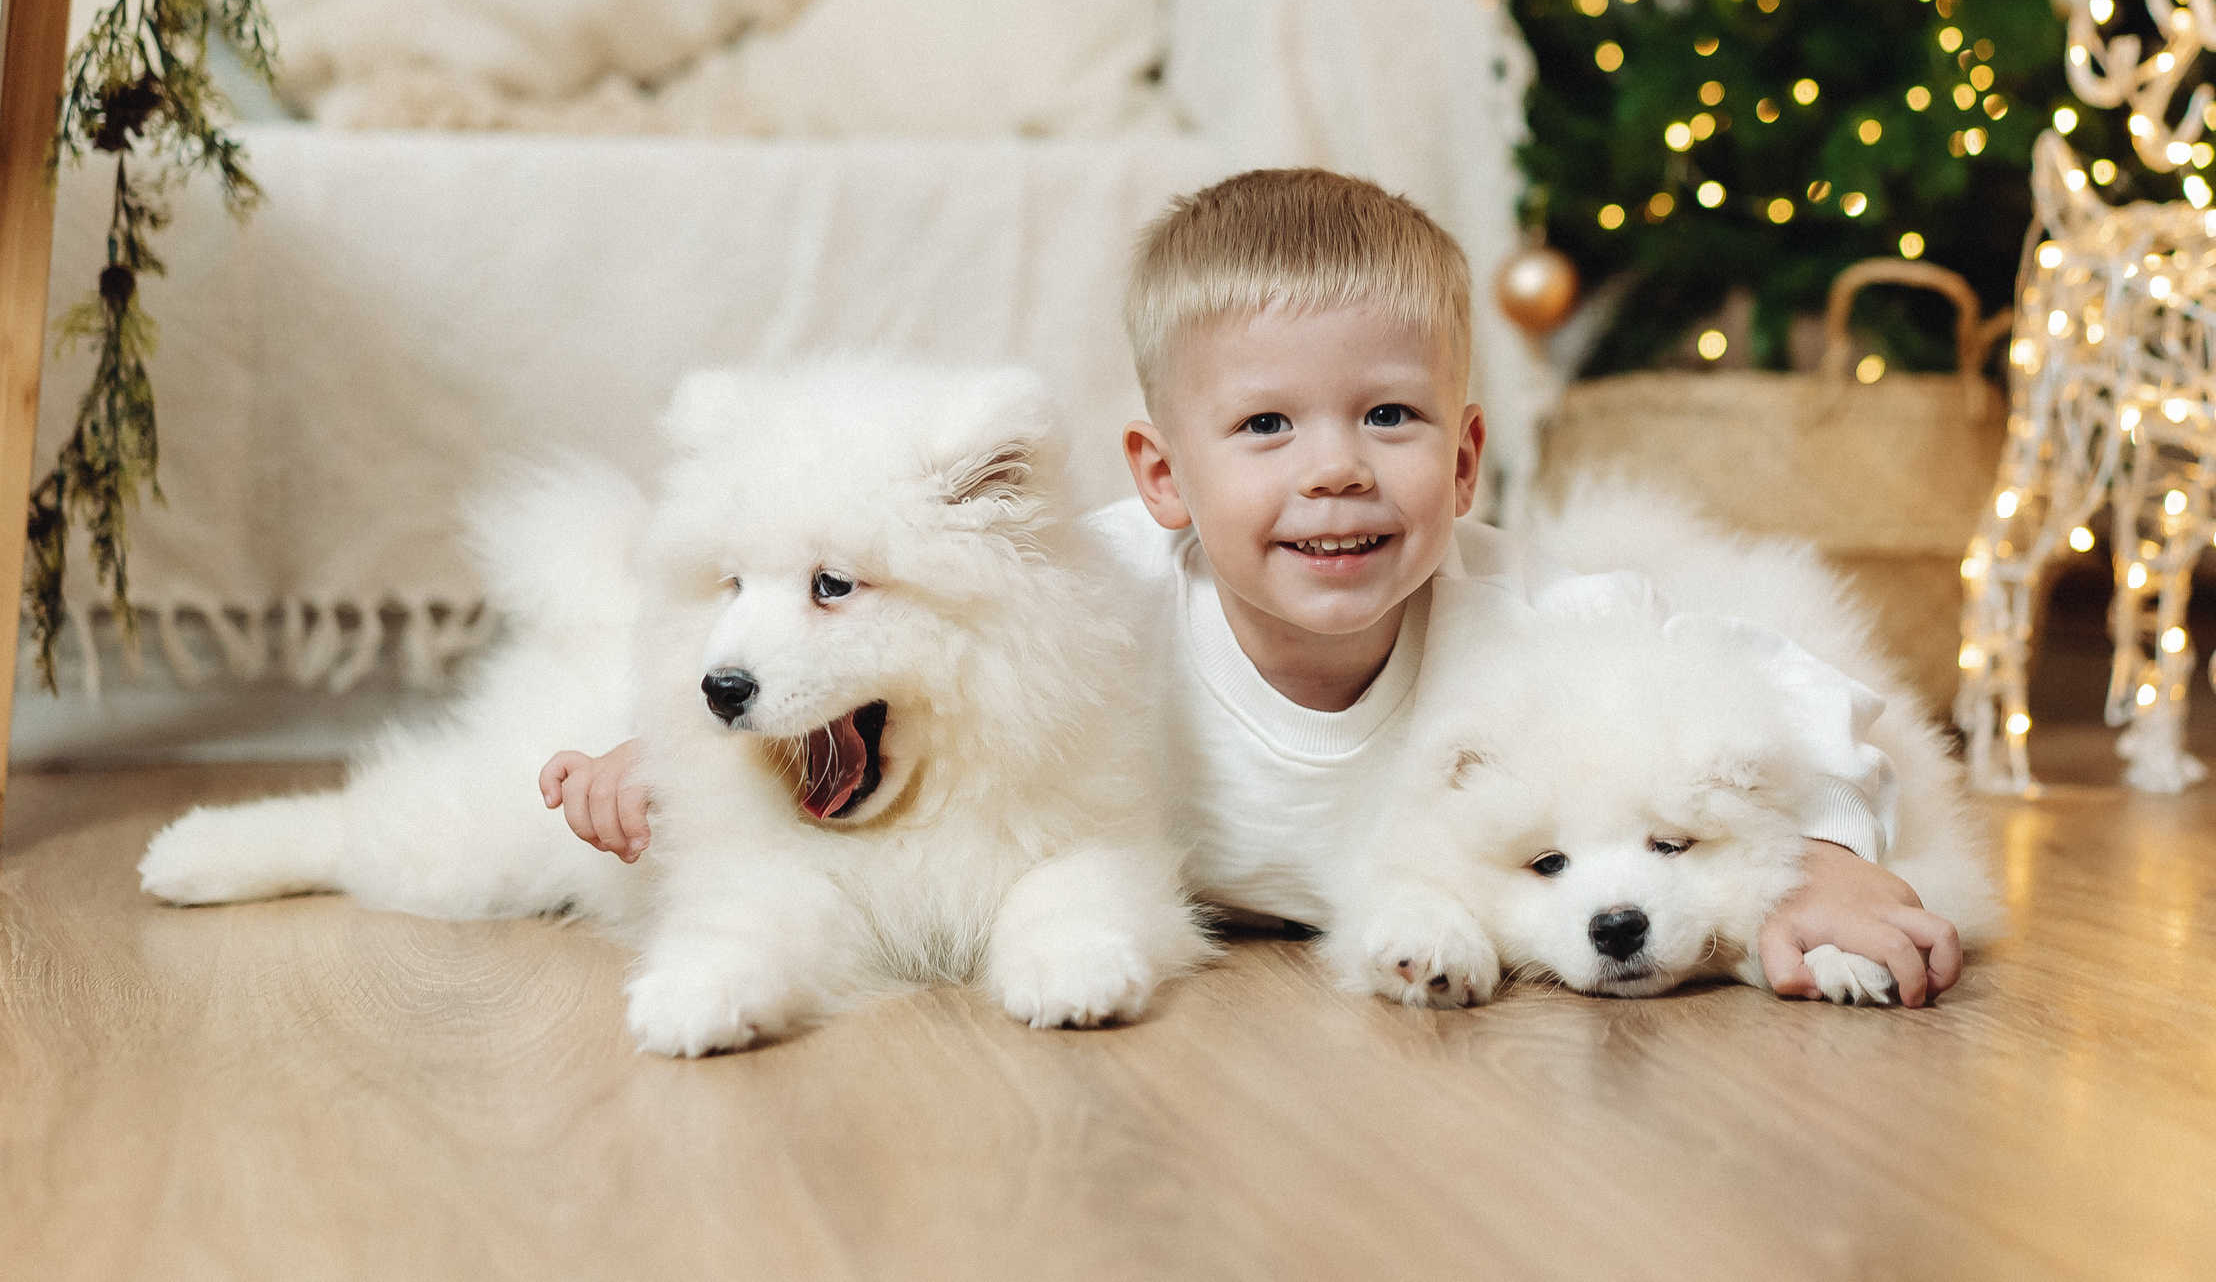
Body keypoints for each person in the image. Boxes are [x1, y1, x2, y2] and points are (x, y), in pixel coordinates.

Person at [541, 169, 1963, 1006]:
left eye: (1390, 417)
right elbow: (891, 660)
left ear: (1465, 459)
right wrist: (692, 749)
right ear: (1164, 477)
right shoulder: (1099, 592)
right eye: (1268, 426)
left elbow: (1783, 693)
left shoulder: (1527, 621)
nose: (1336, 470)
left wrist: (1830, 857)